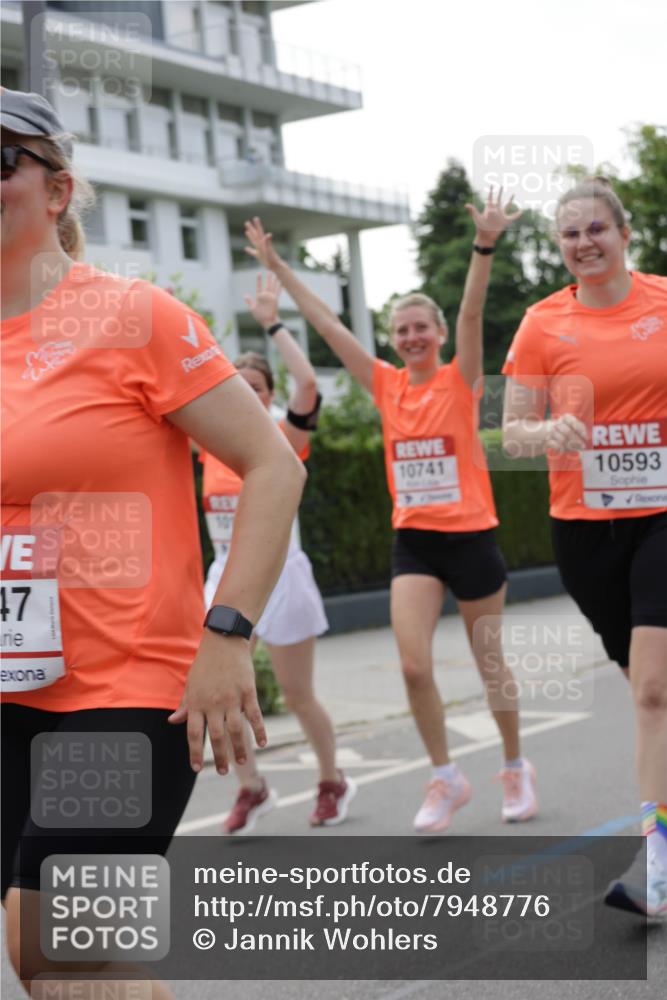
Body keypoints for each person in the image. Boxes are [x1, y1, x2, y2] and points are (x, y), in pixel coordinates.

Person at [1, 88, 305, 997]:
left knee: (64, 947)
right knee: (45, 956)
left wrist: (227, 635)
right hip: (16, 684)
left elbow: (272, 467)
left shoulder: (137, 316)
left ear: (57, 192)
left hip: (127, 681)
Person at [243, 194, 538, 834]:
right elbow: (327, 326)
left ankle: (515, 764)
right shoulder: (385, 383)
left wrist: (483, 245)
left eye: (419, 329)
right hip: (416, 543)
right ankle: (446, 776)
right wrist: (279, 271)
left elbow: (473, 309)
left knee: (491, 666)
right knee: (412, 664)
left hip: (473, 538)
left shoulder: (462, 381)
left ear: (436, 335)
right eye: (400, 330)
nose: (410, 338)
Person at [502, 176, 667, 919]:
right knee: (648, 684)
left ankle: (655, 859)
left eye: (595, 228)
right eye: (569, 234)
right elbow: (510, 431)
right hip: (584, 530)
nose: (582, 243)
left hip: (663, 517)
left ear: (623, 233)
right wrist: (547, 432)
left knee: (651, 689)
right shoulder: (541, 324)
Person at [199, 272, 356, 832]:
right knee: (220, 689)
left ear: (266, 396)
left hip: (281, 574)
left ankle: (332, 779)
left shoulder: (278, 439)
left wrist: (272, 321)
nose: (248, 396)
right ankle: (252, 788)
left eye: (258, 389)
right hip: (224, 574)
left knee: (296, 692)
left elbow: (309, 383)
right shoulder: (207, 440)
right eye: (236, 387)